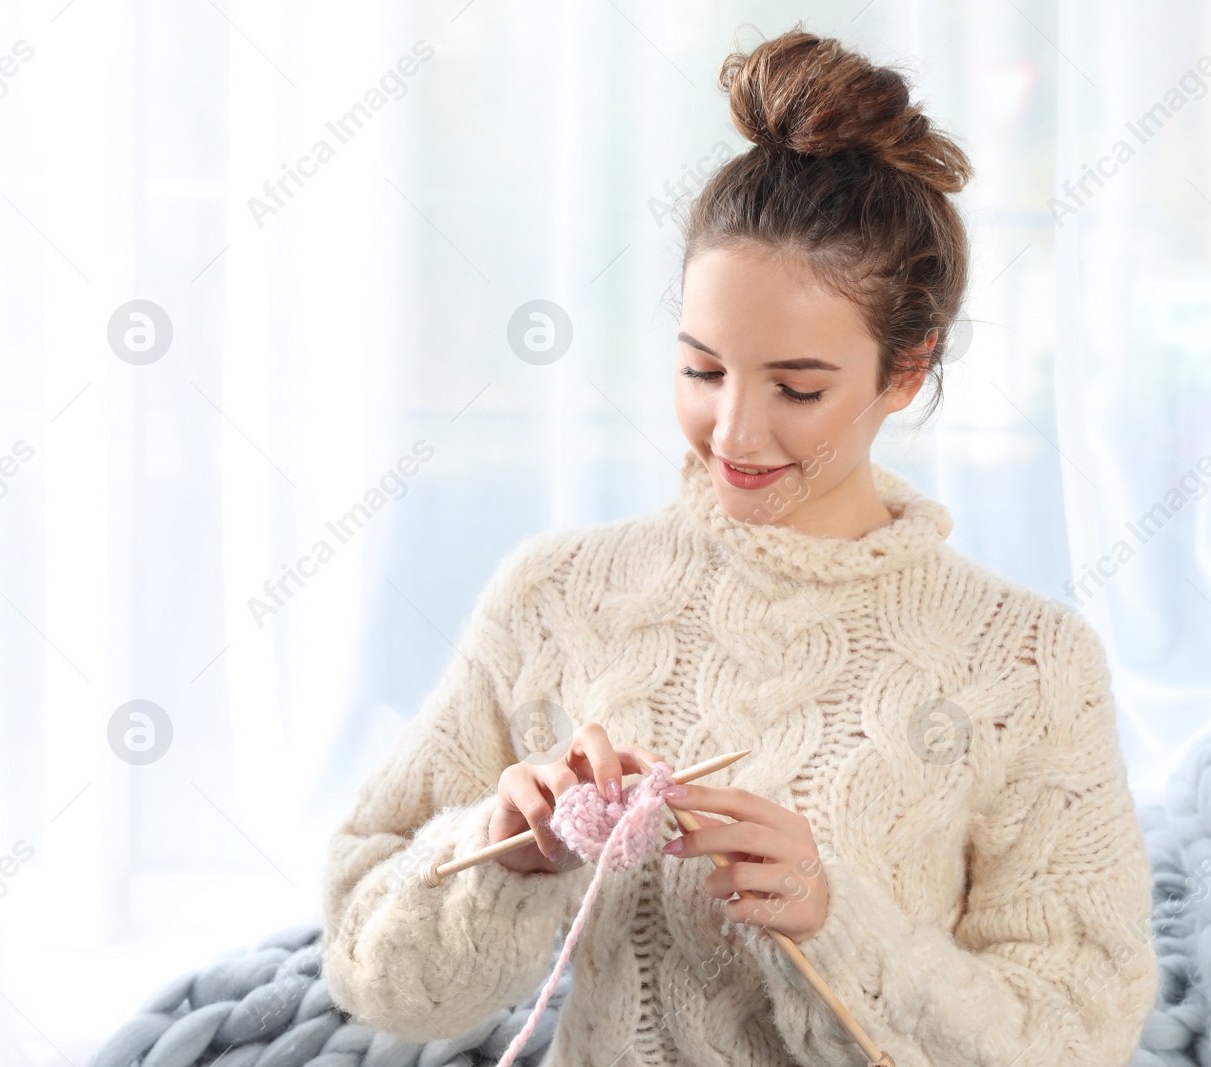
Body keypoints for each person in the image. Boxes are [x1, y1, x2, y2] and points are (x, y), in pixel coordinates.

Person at [322, 23, 1157, 1067]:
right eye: (701, 369)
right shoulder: (555, 595)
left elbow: (1077, 1033)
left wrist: (832, 919)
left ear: (907, 370)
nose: (734, 431)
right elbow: (366, 963)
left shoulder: (1029, 663)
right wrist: (504, 854)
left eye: (797, 388)